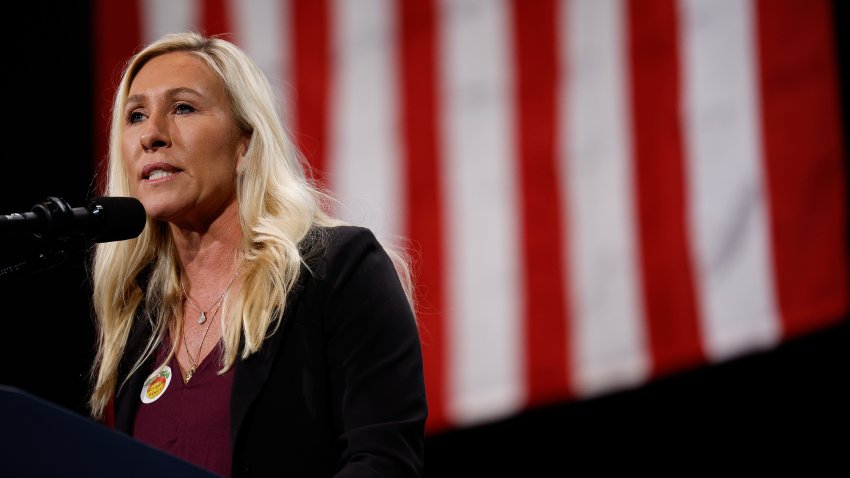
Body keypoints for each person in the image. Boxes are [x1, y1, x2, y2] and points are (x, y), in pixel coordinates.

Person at [87, 31, 427, 477]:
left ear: (244, 144)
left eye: (183, 107)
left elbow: (384, 460)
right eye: (135, 116)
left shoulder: (335, 270)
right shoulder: (138, 320)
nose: (151, 134)